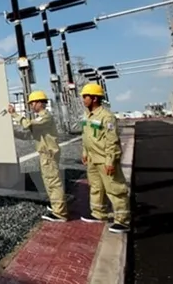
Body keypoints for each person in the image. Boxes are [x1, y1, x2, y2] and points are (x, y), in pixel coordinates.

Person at [8, 90, 68, 222]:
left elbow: (28, 124)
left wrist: (14, 114)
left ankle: (60, 213)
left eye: (33, 103)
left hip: (49, 154)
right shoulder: (39, 120)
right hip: (45, 154)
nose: (31, 106)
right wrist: (13, 132)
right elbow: (28, 135)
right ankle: (56, 206)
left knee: (53, 182)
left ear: (41, 103)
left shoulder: (45, 117)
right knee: (48, 181)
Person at [79, 83, 131, 234]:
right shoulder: (87, 115)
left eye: (85, 96)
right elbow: (86, 136)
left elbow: (112, 140)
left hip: (104, 159)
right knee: (96, 187)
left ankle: (122, 220)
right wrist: (85, 152)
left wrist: (110, 161)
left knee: (114, 189)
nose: (83, 99)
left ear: (94, 98)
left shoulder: (106, 117)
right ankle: (98, 213)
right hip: (92, 158)